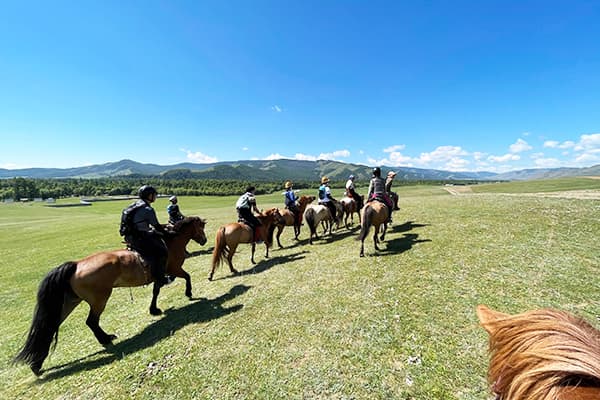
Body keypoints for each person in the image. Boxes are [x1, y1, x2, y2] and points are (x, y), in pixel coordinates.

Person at [123, 185, 173, 287]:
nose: (155, 197)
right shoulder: (147, 209)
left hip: (129, 237)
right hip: (140, 238)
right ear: (149, 196)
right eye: (154, 195)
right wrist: (168, 233)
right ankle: (160, 278)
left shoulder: (134, 205)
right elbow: (157, 227)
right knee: (162, 252)